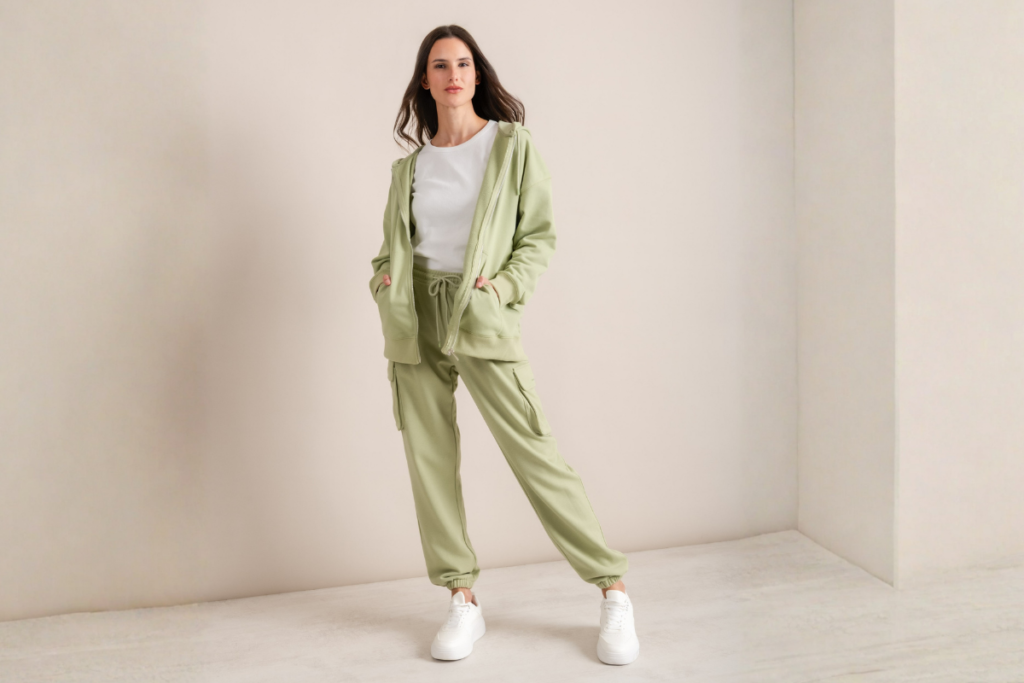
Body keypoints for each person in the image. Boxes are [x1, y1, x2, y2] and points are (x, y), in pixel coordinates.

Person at [368, 25, 639, 666]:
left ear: (478, 75)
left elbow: (537, 236)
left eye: (463, 64)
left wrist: (505, 288)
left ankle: (613, 590)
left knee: (533, 451)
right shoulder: (410, 167)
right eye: (440, 66)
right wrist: (383, 282)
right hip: (415, 318)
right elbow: (390, 249)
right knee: (430, 462)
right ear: (425, 80)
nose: (453, 75)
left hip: (479, 311)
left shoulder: (511, 145)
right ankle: (462, 598)